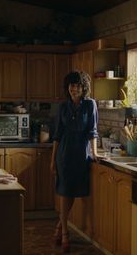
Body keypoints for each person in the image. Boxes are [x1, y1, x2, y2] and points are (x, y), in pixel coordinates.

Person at [50, 71, 104, 253]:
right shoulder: (63, 107)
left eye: (77, 86)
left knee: (74, 193)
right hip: (64, 154)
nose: (73, 89)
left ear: (83, 88)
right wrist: (52, 161)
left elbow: (92, 131)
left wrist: (94, 152)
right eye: (71, 85)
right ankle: (65, 232)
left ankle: (59, 226)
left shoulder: (90, 105)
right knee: (65, 193)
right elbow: (57, 135)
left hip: (82, 155)